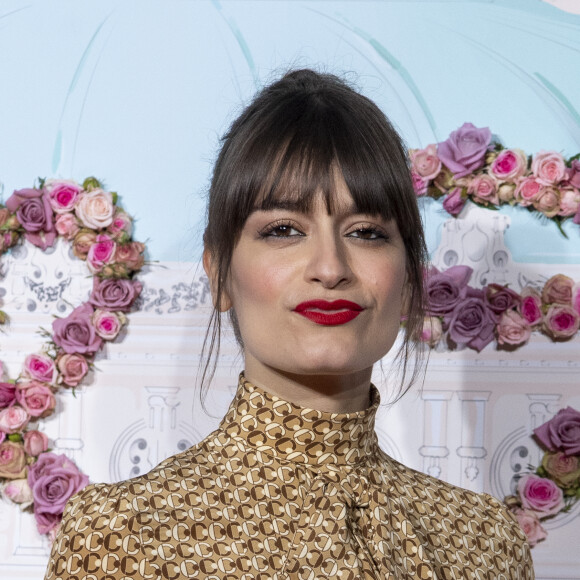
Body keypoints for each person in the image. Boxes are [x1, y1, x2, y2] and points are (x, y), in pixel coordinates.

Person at [45, 69, 534, 579]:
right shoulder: (117, 539)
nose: (330, 267)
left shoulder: (484, 543)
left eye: (366, 232)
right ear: (219, 273)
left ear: (410, 277)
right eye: (283, 230)